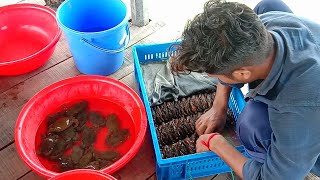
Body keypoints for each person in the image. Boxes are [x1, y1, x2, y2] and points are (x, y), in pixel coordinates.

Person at [170, 0, 320, 179]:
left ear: (242, 73)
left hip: (309, 121)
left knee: (252, 125)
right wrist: (219, 107)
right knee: (269, 3)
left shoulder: (298, 109)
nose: (217, 79)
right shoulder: (268, 22)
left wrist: (216, 143)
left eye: (216, 75)